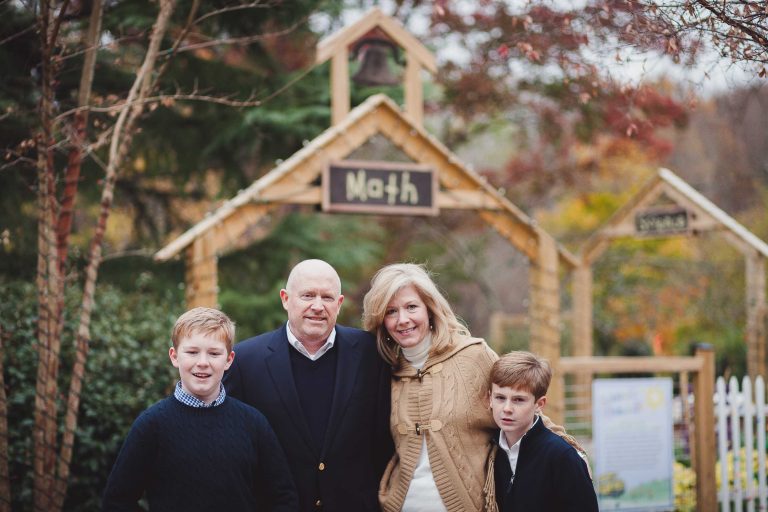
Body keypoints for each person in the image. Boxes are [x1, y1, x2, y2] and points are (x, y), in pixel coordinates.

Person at [362, 262, 583, 512]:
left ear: (430, 309)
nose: (403, 320)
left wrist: (570, 452)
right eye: (391, 311)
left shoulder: (473, 356)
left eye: (411, 307)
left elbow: (523, 407)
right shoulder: (382, 370)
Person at [223, 259, 392, 511]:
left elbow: (384, 443)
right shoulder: (245, 362)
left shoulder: (372, 354)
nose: (317, 306)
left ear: (339, 303)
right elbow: (234, 451)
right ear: (285, 299)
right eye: (307, 295)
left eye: (327, 297)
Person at [101, 307, 298, 511]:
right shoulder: (152, 425)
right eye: (192, 352)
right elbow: (117, 501)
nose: (202, 363)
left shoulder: (253, 423)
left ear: (229, 359)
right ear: (174, 356)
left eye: (214, 353)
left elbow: (283, 498)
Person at [485, 351, 598, 512]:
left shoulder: (562, 456)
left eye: (518, 400)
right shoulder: (490, 452)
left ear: (539, 404)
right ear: (490, 398)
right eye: (500, 398)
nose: (507, 408)